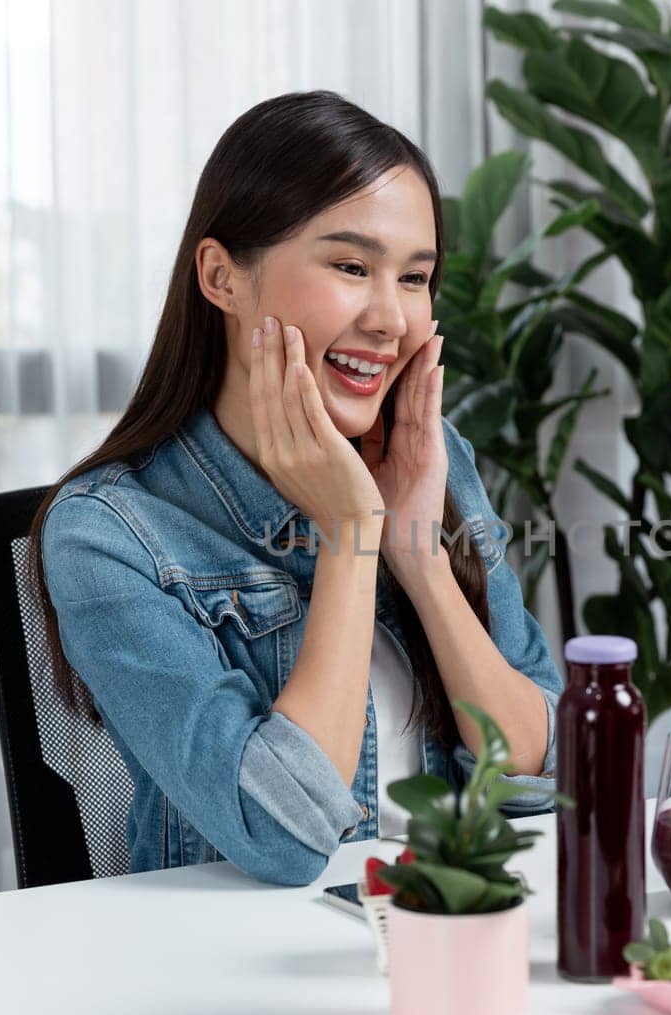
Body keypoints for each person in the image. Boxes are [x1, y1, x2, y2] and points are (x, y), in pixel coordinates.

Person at [32, 91, 561, 887]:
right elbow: (283, 835)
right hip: (236, 968)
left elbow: (532, 764)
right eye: (351, 267)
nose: (391, 319)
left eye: (415, 277)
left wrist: (418, 556)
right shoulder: (107, 534)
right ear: (222, 277)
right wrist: (350, 532)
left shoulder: (428, 456)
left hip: (442, 929)